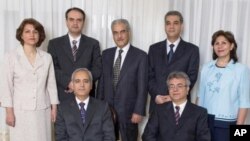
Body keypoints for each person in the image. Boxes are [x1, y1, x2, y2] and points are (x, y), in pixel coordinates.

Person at [1, 18, 59, 141]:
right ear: (21, 35)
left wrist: (54, 108)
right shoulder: (10, 57)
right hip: (20, 112)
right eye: (27, 31)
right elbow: (6, 87)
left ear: (40, 35)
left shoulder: (47, 57)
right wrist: (9, 112)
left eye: (35, 32)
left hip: (42, 111)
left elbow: (51, 84)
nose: (32, 35)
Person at [97, 19, 148, 141]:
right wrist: (98, 108)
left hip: (129, 111)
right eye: (115, 32)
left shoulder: (140, 56)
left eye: (122, 32)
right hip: (107, 110)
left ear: (128, 32)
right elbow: (102, 83)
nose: (119, 36)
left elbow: (143, 86)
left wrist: (139, 111)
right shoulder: (106, 54)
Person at [197, 30, 250, 141]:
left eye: (224, 43)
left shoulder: (242, 70)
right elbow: (200, 96)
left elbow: (245, 102)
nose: (220, 46)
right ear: (213, 47)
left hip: (228, 123)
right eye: (217, 43)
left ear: (231, 46)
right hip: (205, 121)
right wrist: (196, 121)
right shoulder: (206, 68)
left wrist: (239, 134)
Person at [148, 10, 199, 112]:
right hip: (157, 104)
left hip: (180, 106)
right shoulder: (154, 49)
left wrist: (174, 96)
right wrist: (157, 95)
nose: (171, 26)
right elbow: (149, 76)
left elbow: (191, 77)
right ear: (164, 26)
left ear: (181, 26)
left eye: (175, 23)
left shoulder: (192, 50)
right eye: (168, 23)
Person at [48, 7, 102, 101]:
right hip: (63, 95)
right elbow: (53, 68)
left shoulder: (93, 44)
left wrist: (82, 83)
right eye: (71, 19)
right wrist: (68, 83)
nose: (75, 23)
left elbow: (97, 68)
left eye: (79, 20)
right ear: (66, 21)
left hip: (87, 97)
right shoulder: (54, 44)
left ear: (83, 22)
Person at [142, 71, 210, 141]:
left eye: (179, 86)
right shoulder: (158, 110)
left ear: (187, 89)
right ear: (168, 90)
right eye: (172, 86)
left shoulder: (200, 112)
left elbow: (204, 138)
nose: (175, 89)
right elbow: (148, 136)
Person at [55, 68, 115, 141]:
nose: (82, 85)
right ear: (72, 85)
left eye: (86, 81)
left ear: (91, 86)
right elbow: (61, 137)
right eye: (77, 81)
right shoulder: (62, 109)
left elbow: (109, 137)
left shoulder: (103, 107)